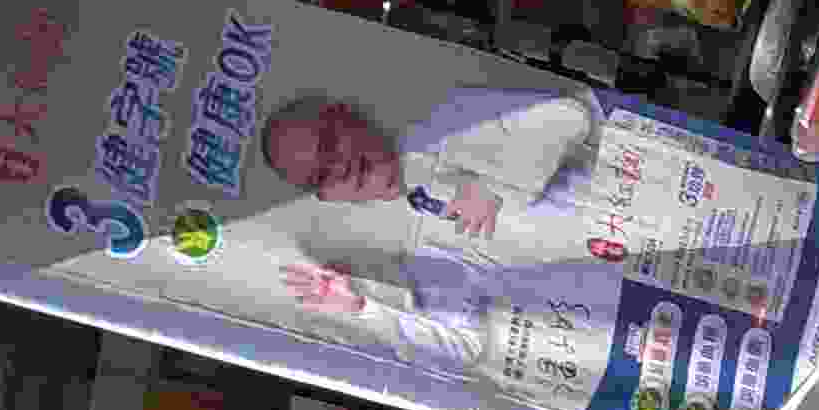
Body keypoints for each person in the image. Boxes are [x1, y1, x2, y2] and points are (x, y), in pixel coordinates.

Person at [258, 86, 604, 243]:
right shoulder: (408, 230)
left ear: (347, 115)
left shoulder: (445, 118)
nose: (340, 168)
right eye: (320, 175)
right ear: (328, 197)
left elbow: (571, 116)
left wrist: (493, 188)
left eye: (329, 145)